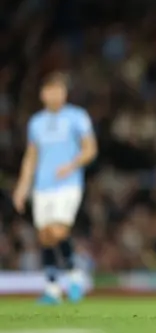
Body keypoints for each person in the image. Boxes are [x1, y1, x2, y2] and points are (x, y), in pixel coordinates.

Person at [13, 72, 97, 304]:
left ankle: (74, 275)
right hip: (42, 186)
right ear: (43, 94)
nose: (55, 94)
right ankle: (54, 287)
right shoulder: (36, 123)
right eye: (51, 90)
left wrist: (71, 165)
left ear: (65, 94)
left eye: (59, 90)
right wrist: (22, 186)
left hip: (68, 184)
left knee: (58, 231)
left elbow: (90, 149)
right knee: (45, 236)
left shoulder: (77, 117)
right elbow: (31, 156)